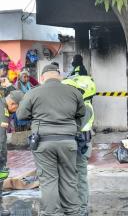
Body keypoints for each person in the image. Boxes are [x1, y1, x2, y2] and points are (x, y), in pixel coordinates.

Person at [17, 64, 85, 215]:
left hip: (43, 142)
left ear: (42, 78)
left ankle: (53, 213)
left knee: (48, 180)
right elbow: (81, 114)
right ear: (59, 76)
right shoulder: (74, 92)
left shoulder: (33, 92)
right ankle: (73, 212)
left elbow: (21, 115)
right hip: (68, 142)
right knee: (69, 178)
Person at [62, 75, 96, 216]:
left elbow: (75, 127)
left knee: (80, 178)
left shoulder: (85, 108)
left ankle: (81, 209)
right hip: (77, 146)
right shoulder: (81, 105)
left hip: (81, 148)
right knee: (72, 178)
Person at [0, 90, 24, 216]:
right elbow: (0, 137)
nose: (15, 111)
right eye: (17, 108)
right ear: (13, 103)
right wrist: (2, 157)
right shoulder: (2, 110)